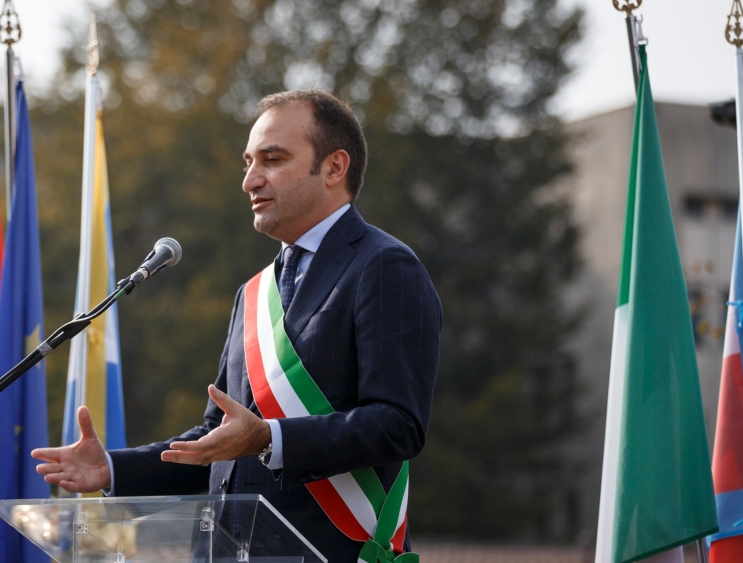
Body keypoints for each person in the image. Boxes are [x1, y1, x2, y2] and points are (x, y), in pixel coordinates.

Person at [32, 89, 441, 562]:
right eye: (248, 162)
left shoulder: (384, 267)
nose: (250, 180)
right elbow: (218, 440)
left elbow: (398, 424)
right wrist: (113, 469)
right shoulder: (253, 293)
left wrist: (271, 439)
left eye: (272, 159)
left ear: (334, 168)